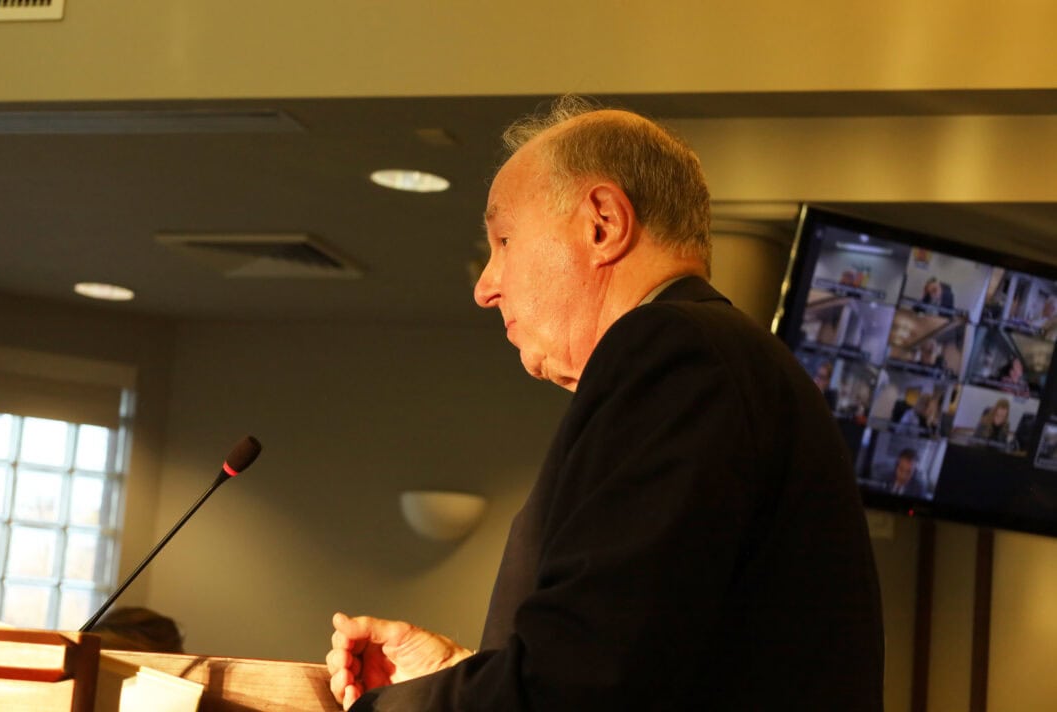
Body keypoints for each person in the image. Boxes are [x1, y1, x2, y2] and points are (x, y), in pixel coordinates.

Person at [326, 97, 884, 711]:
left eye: (504, 240)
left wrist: (390, 709)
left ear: (603, 223)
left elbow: (579, 684)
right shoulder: (722, 359)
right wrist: (457, 673)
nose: (485, 287)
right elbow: (642, 658)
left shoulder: (675, 351)